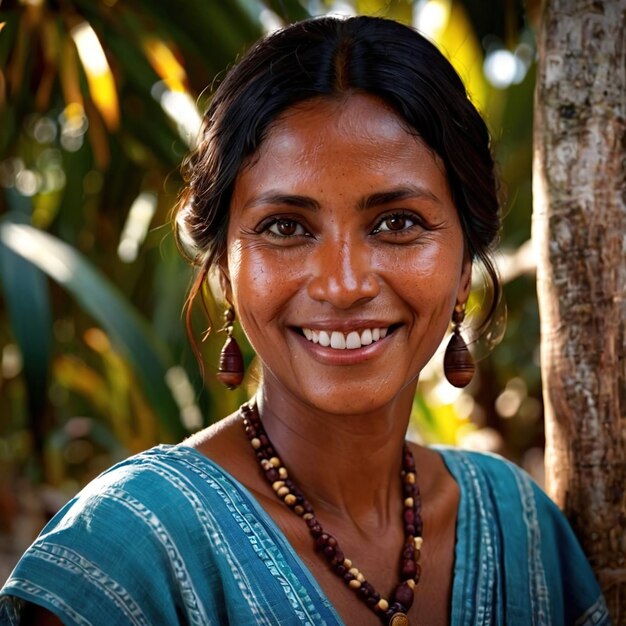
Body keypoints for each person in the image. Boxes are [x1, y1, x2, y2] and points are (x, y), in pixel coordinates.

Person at [0, 15, 610, 626]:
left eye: (397, 223)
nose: (343, 285)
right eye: (285, 228)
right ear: (223, 270)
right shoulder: (131, 554)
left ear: (463, 265)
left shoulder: (521, 528)